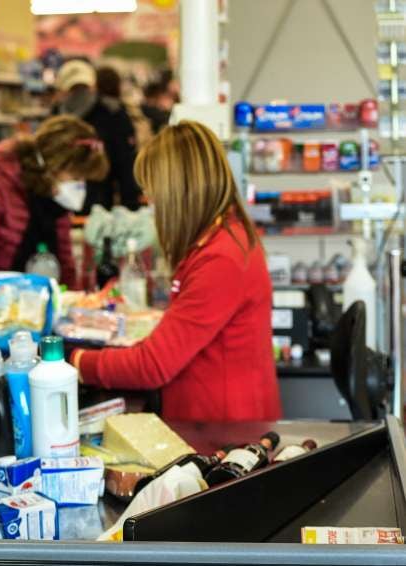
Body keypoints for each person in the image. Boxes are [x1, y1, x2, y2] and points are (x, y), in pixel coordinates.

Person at [71, 121, 282, 422]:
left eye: (154, 195)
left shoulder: (222, 259)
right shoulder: (220, 240)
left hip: (223, 433)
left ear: (178, 194)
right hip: (215, 420)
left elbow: (153, 365)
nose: (152, 205)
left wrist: (74, 362)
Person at [0, 115, 109, 311]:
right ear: (52, 166)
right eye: (75, 177)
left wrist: (71, 306)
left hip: (31, 312)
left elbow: (64, 262)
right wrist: (10, 305)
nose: (79, 186)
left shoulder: (51, 195)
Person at [82, 66, 141, 211]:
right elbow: (126, 163)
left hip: (86, 185)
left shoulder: (86, 112)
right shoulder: (118, 114)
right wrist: (132, 205)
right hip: (105, 189)